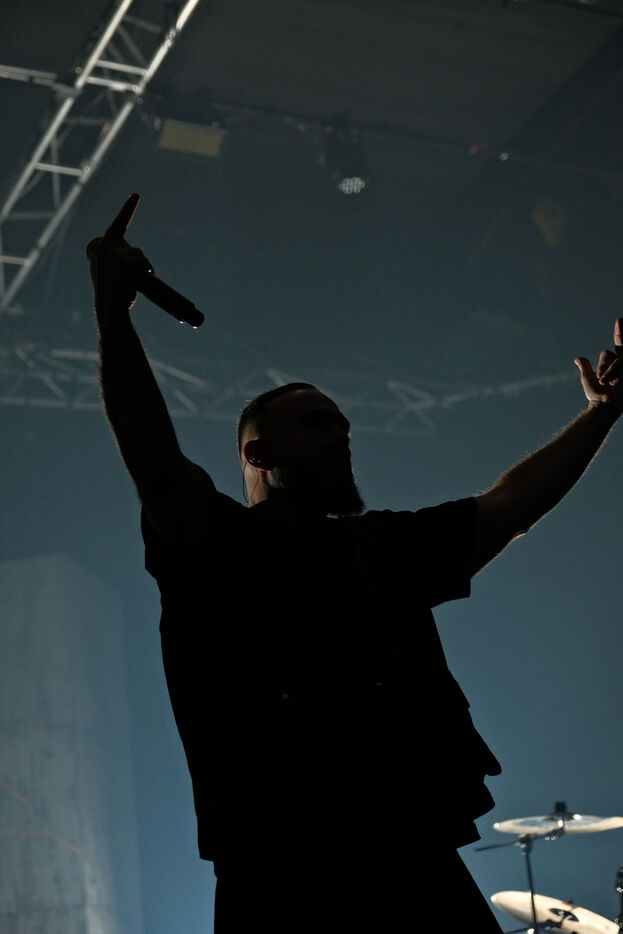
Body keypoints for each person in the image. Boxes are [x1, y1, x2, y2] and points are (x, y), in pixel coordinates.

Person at [89, 195, 623, 933]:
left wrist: (604, 413)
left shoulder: (380, 549)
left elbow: (511, 504)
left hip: (413, 857)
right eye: (316, 425)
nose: (341, 435)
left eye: (342, 424)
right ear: (257, 454)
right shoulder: (213, 546)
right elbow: (150, 449)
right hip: (281, 876)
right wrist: (113, 315)